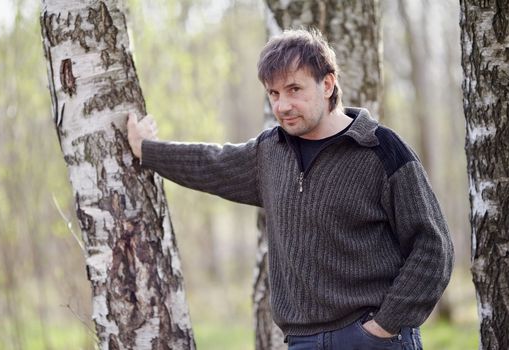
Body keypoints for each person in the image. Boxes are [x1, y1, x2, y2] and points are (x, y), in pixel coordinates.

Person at [127, 28, 454, 350]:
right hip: (303, 342)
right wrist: (147, 150)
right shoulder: (269, 153)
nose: (282, 105)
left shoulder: (381, 149)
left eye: (294, 89)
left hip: (374, 339)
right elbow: (209, 163)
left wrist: (383, 326)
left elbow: (433, 246)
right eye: (274, 93)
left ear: (327, 84)